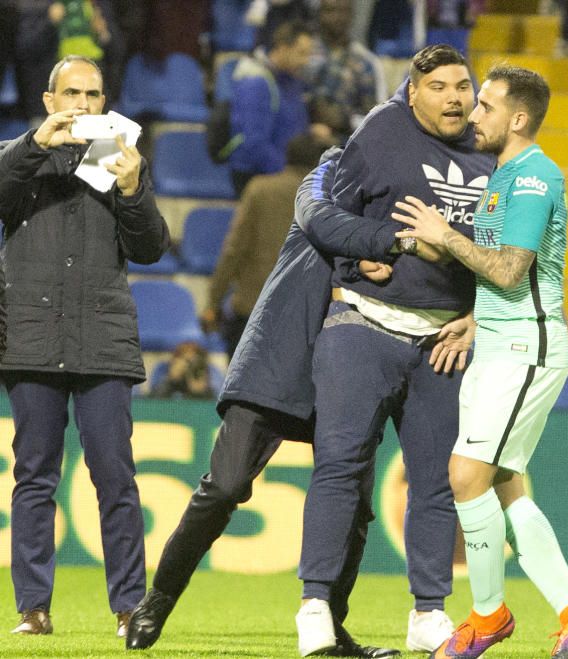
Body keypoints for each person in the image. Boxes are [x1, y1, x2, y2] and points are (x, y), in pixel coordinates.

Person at [126, 148, 406, 659]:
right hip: (277, 357)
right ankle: (157, 601)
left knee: (356, 507)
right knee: (225, 486)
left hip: (348, 370)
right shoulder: (330, 176)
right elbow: (323, 223)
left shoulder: (407, 211)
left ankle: (330, 627)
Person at [392, 64, 568, 659]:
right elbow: (508, 277)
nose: (473, 112)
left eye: (485, 104)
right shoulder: (503, 175)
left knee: (465, 476)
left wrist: (444, 234)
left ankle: (488, 618)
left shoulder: (535, 178)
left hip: (526, 347)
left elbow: (512, 269)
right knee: (507, 487)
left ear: (517, 118)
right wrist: (475, 318)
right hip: (498, 340)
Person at [291, 43, 494, 657]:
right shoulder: (381, 131)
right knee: (341, 468)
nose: (454, 97)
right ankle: (315, 608)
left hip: (444, 340)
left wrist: (479, 315)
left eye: (463, 86)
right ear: (413, 93)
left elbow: (513, 258)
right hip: (363, 325)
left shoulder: (494, 154)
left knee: (434, 483)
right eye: (439, 87)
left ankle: (429, 612)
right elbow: (326, 216)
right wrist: (379, 246)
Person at [0, 54, 169, 636]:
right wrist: (32, 145)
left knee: (116, 478)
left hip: (101, 340)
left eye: (92, 95)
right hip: (32, 339)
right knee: (34, 476)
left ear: (105, 102)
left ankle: (129, 609)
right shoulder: (19, 156)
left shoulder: (120, 159)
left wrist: (133, 188)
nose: (82, 104)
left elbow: (152, 247)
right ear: (49, 100)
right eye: (70, 93)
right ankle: (34, 610)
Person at [201, 133, 331, 358]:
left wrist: (214, 301)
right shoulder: (329, 199)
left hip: (254, 308)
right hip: (307, 317)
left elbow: (234, 249)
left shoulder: (260, 189)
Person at [228, 20, 318, 196]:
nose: (306, 61)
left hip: (287, 177)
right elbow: (255, 144)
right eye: (301, 53)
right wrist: (289, 175)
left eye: (309, 54)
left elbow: (292, 126)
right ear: (282, 48)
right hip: (258, 179)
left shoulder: (293, 82)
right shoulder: (256, 83)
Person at [304, 0, 385, 146]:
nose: (337, 17)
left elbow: (376, 120)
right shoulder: (303, 53)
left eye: (343, 12)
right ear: (319, 14)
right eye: (330, 10)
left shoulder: (365, 62)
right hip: (299, 139)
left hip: (344, 146)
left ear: (352, 16)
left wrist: (344, 121)